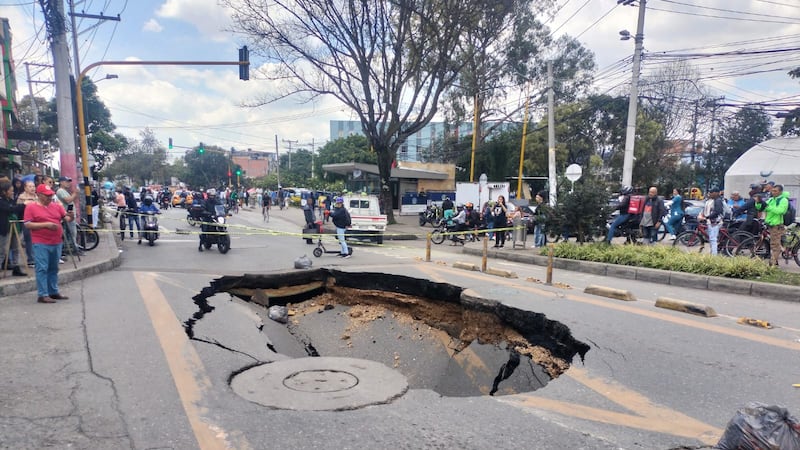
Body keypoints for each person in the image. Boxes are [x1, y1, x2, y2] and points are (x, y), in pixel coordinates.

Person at [24, 183, 71, 303]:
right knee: (42, 268)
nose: (49, 198)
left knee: (54, 268)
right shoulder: (31, 207)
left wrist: (70, 216)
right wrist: (46, 225)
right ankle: (43, 294)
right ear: (39, 195)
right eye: (46, 195)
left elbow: (66, 218)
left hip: (56, 241)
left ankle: (53, 291)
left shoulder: (56, 206)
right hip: (40, 242)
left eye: (50, 195)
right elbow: (28, 224)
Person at [755, 184, 789, 266]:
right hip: (769, 223)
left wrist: (768, 207)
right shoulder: (771, 200)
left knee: (774, 245)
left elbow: (781, 211)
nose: (773, 192)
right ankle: (776, 258)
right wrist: (759, 202)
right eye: (772, 191)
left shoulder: (783, 200)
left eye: (775, 191)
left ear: (780, 192)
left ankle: (772, 264)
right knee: (775, 243)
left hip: (776, 225)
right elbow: (761, 208)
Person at [0, 180, 27, 276]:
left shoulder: (11, 200)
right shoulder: (1, 201)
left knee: (16, 248)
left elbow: (15, 207)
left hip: (15, 226)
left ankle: (16, 267)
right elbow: (10, 208)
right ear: (4, 191)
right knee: (2, 250)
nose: (12, 192)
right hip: (4, 228)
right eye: (10, 191)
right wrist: (23, 205)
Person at [55, 176, 79, 256]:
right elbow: (68, 200)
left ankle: (71, 248)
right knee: (71, 232)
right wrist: (75, 193)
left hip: (70, 215)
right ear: (61, 182)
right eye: (66, 181)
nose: (68, 183)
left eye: (69, 182)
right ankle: (72, 249)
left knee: (72, 233)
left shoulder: (65, 191)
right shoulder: (60, 191)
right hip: (66, 215)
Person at [17, 180, 37, 267]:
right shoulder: (21, 197)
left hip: (38, 221)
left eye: (33, 186)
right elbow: (18, 210)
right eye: (30, 186)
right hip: (27, 221)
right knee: (29, 240)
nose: (32, 188)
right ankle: (31, 259)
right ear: (25, 188)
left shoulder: (37, 196)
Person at [699, 187, 724, 255]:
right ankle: (713, 252)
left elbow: (717, 212)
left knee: (713, 239)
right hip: (711, 222)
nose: (710, 194)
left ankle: (714, 255)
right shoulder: (712, 200)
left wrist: (707, 217)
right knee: (711, 238)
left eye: (711, 193)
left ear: (716, 193)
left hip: (715, 222)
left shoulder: (718, 200)